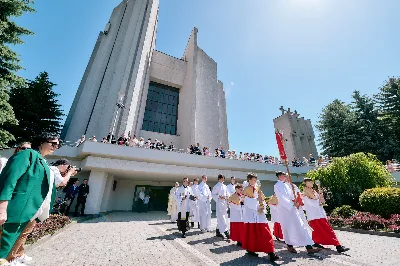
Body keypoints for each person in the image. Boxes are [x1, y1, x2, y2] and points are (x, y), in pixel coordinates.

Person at [0, 134, 75, 265]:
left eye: (58, 145)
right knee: (6, 242)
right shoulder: (27, 154)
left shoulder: (42, 161)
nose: (55, 147)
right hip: (18, 208)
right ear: (41, 142)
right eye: (53, 143)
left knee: (16, 238)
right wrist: (2, 206)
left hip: (31, 210)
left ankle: (10, 259)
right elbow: (9, 179)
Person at [274, 172, 321, 254]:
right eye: (285, 176)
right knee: (288, 228)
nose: (286, 177)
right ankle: (289, 245)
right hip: (286, 210)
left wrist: (297, 201)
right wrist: (292, 204)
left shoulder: (290, 185)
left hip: (294, 208)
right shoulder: (277, 185)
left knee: (301, 226)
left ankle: (309, 247)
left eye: (287, 176)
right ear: (280, 177)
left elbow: (295, 195)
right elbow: (282, 198)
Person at [302, 178, 350, 253]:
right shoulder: (305, 191)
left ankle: (316, 243)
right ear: (306, 183)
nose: (311, 183)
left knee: (318, 231)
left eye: (311, 182)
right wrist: (319, 198)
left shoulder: (314, 190)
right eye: (309, 182)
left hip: (318, 213)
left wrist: (319, 190)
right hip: (314, 214)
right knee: (326, 230)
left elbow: (322, 201)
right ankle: (338, 246)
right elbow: (313, 200)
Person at [242, 173, 279, 262]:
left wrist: (263, 205)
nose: (253, 182)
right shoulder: (246, 189)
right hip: (251, 215)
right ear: (249, 180)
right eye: (252, 180)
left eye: (255, 180)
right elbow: (245, 201)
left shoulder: (258, 188)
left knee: (265, 232)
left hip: (260, 214)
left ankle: (271, 253)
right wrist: (256, 202)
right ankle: (250, 249)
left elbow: (263, 199)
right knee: (252, 233)